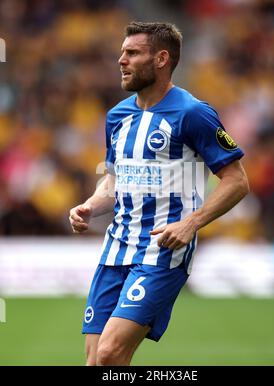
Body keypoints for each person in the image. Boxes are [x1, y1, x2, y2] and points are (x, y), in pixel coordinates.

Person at [69, 21, 249, 366]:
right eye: (122, 52)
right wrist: (90, 206)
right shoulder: (117, 116)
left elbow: (237, 180)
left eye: (132, 53)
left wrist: (191, 224)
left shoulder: (193, 113)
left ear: (161, 59)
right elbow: (112, 179)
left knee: (109, 354)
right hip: (116, 247)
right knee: (94, 361)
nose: (121, 60)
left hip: (162, 251)